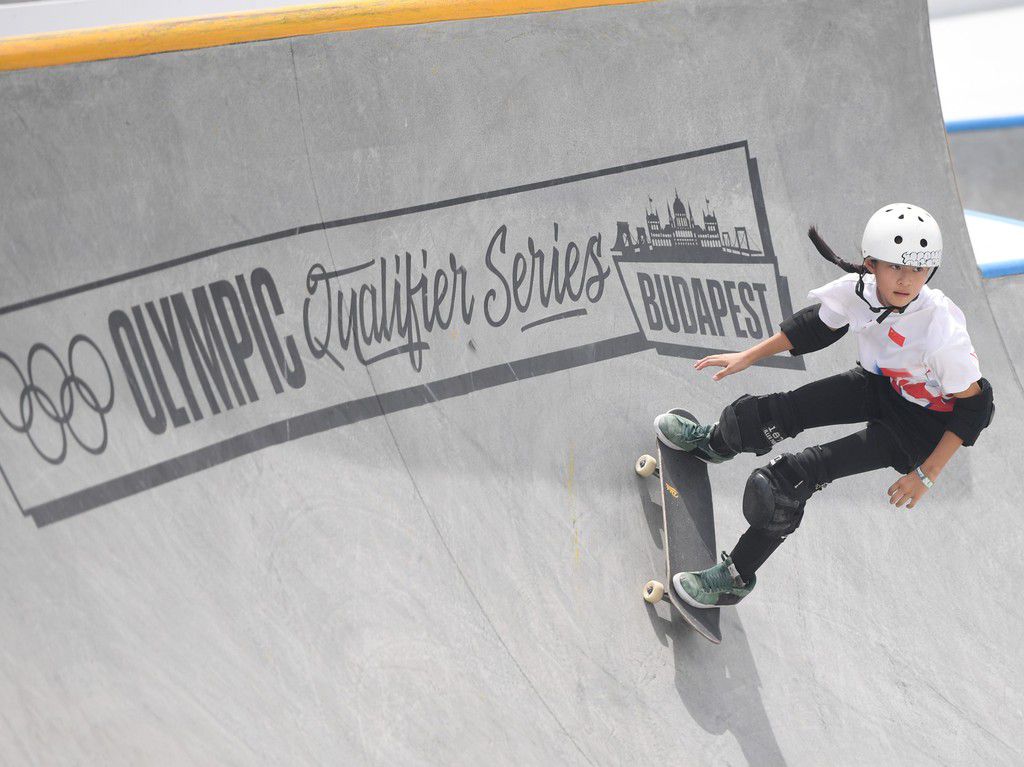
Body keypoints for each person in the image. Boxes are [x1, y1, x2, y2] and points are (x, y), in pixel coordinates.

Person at [655, 203, 995, 608]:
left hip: (919, 429)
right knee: (775, 412)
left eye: (919, 271)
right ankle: (715, 443)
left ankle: (734, 577)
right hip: (882, 386)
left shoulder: (943, 331)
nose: (907, 281)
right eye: (895, 268)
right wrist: (747, 355)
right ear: (871, 264)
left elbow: (975, 408)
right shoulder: (861, 291)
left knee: (789, 480)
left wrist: (925, 475)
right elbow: (815, 328)